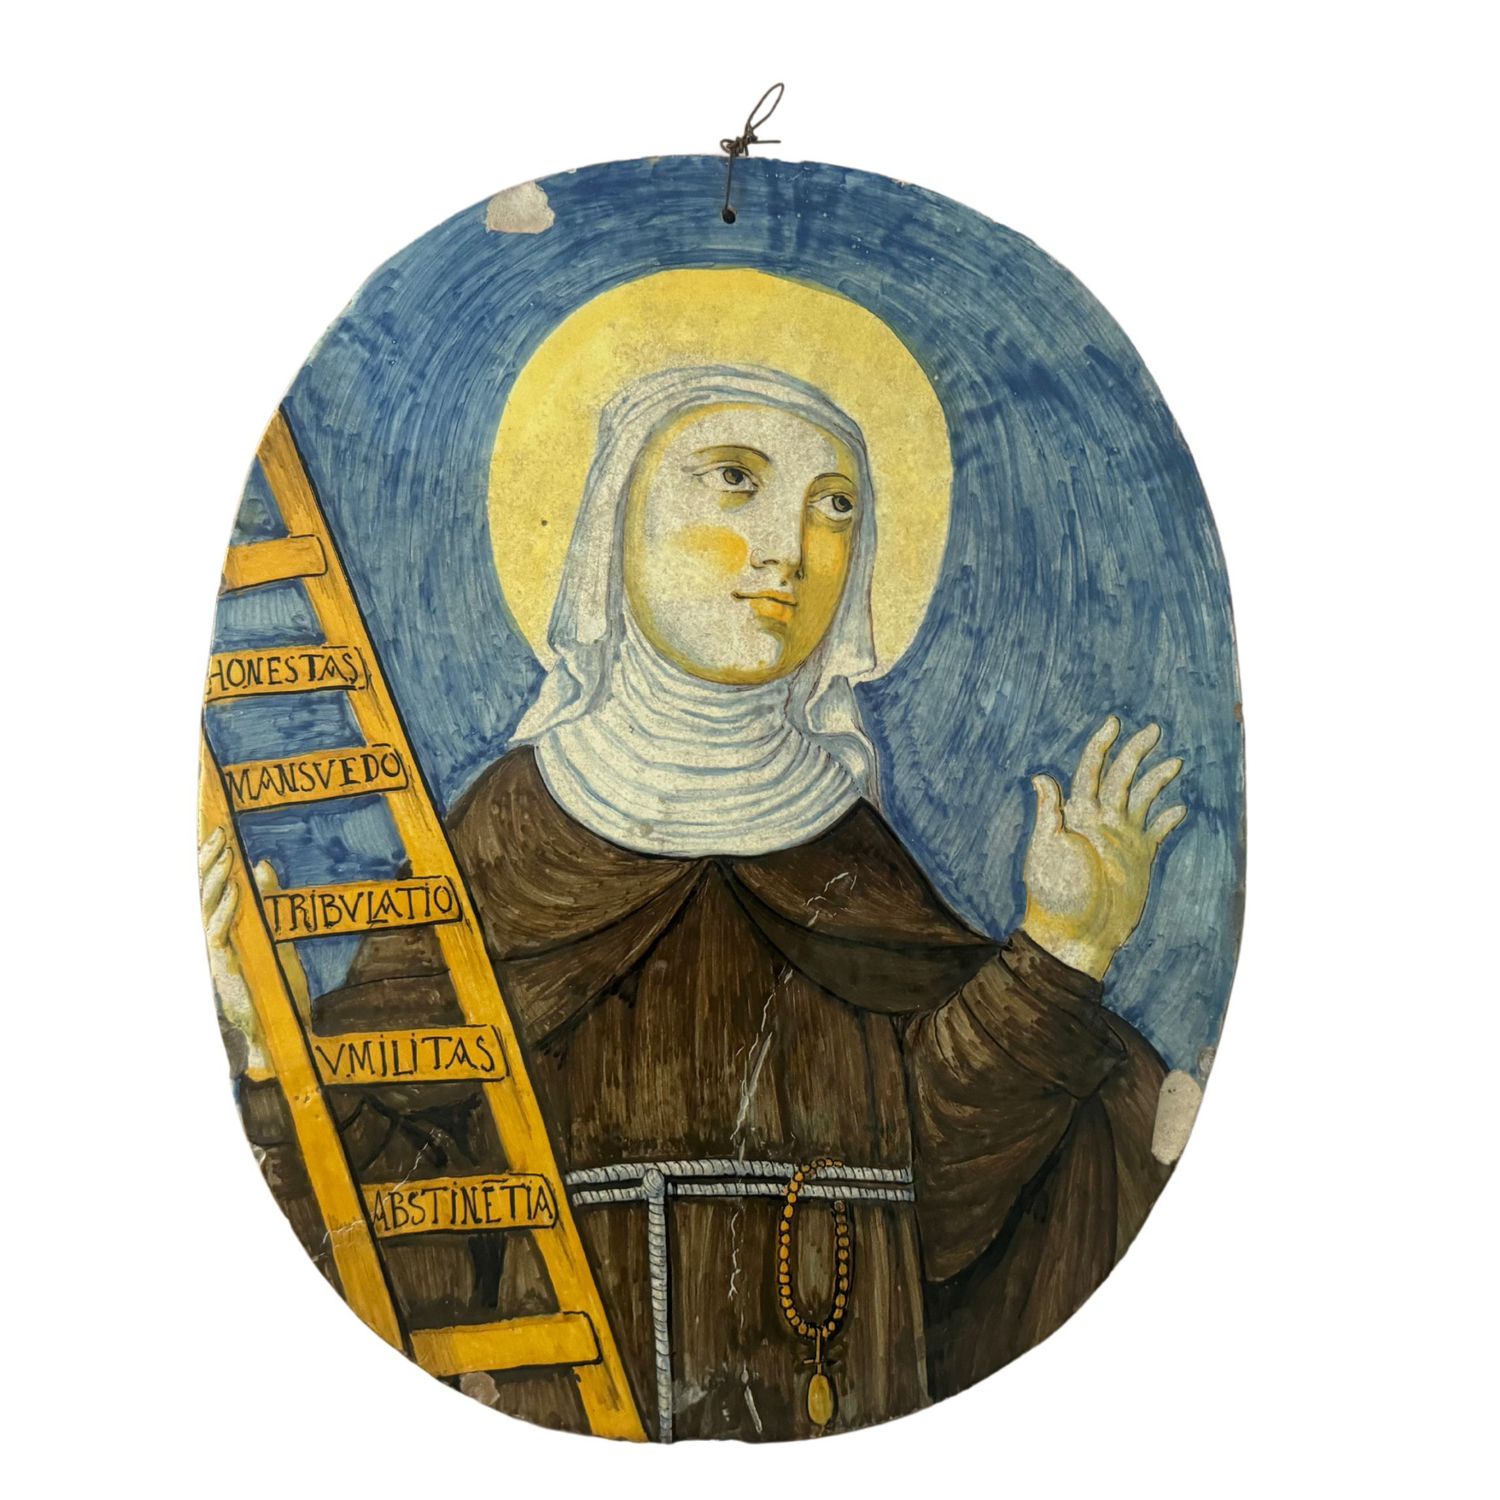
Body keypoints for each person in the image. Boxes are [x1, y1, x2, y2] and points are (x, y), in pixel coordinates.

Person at [201, 366, 1187, 1442]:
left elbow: (945, 1204)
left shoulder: (853, 858)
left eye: (835, 504)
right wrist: (277, 1056)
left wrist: (1060, 952)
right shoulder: (501, 846)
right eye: (735, 479)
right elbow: (396, 1216)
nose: (790, 551)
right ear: (612, 519)